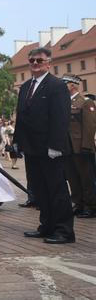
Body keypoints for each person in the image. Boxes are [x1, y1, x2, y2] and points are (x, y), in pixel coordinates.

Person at [14, 47, 74, 244]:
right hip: (32, 147)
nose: (34, 64)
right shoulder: (25, 87)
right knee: (40, 190)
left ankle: (64, 230)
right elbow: (21, 117)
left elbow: (60, 118)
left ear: (49, 63)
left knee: (56, 190)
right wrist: (16, 142)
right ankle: (46, 225)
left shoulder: (56, 86)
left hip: (51, 148)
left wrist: (56, 145)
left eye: (39, 61)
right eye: (31, 61)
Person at [61, 74, 96, 218]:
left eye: (65, 83)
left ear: (73, 85)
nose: (63, 86)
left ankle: (91, 205)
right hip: (68, 147)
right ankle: (78, 203)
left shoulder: (85, 102)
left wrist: (87, 147)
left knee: (86, 178)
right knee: (72, 177)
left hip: (81, 147)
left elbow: (90, 126)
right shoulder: (63, 103)